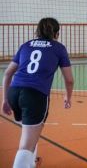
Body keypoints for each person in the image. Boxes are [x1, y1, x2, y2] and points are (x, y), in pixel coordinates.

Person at [1, 18, 74, 168]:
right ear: (57, 34)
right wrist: (68, 96)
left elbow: (7, 74)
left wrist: (5, 100)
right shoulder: (58, 48)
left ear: (37, 31)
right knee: (26, 145)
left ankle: (31, 162)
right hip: (34, 95)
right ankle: (25, 161)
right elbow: (69, 80)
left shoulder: (26, 45)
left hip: (14, 92)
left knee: (29, 132)